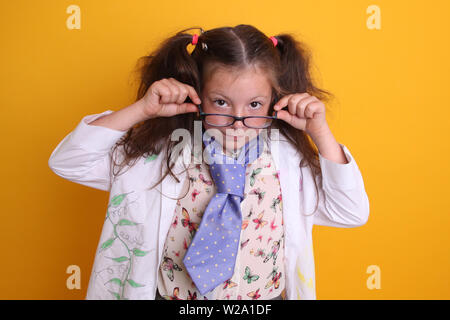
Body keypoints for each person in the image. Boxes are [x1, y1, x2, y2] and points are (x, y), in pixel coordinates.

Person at [48, 25, 370, 300]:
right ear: (197, 90)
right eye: (221, 102)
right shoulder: (159, 155)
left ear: (275, 98)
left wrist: (320, 132)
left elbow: (351, 211)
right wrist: (142, 110)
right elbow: (69, 162)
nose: (238, 121)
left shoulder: (288, 160)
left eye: (255, 104)